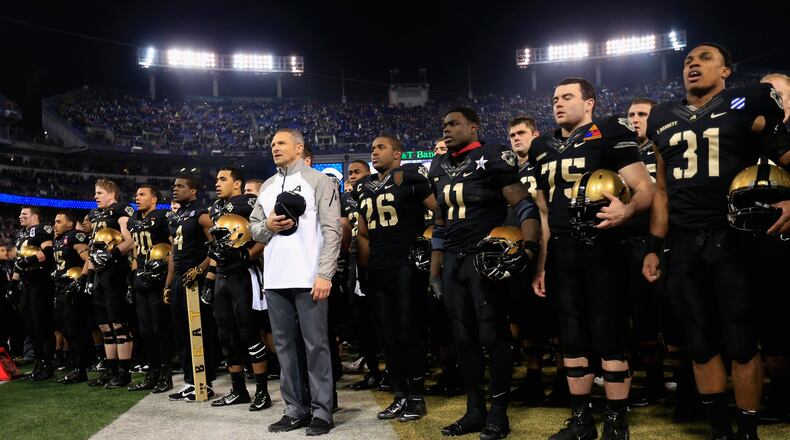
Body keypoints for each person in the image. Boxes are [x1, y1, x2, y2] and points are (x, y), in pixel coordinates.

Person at [643, 43, 790, 440]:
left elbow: (784, 154)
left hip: (734, 237)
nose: (693, 63)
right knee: (700, 341)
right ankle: (720, 430)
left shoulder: (747, 101)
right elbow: (660, 192)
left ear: (727, 71)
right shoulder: (660, 116)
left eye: (705, 58)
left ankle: (747, 430)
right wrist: (654, 248)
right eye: (688, 60)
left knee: (742, 340)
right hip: (683, 241)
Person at [531, 78, 654, 440]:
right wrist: (541, 262)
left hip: (603, 247)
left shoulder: (611, 129)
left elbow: (644, 187)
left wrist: (627, 209)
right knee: (570, 338)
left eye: (567, 96)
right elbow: (543, 213)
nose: (558, 103)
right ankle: (582, 421)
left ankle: (616, 421)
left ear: (589, 103)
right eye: (555, 98)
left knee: (608, 334)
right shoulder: (542, 145)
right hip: (562, 251)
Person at [429, 107, 540, 439]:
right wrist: (435, 271)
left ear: (473, 128)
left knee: (493, 335)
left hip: (484, 258)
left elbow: (524, 205)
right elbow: (440, 222)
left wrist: (530, 247)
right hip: (453, 259)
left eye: (453, 124)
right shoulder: (439, 166)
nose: (446, 129)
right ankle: (474, 410)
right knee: (464, 338)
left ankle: (499, 413)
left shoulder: (491, 156)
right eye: (444, 124)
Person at [250, 128, 341, 436]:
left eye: (281, 143)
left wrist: (325, 273)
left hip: (309, 277)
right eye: (272, 143)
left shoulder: (319, 181)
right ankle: (294, 409)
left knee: (316, 346)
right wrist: (268, 224)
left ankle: (322, 411)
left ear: (299, 147)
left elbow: (333, 231)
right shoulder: (268, 185)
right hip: (275, 279)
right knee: (285, 348)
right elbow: (253, 230)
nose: (274, 147)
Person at [355, 134, 439, 421]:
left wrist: (428, 246)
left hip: (406, 265)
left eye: (381, 147)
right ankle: (400, 395)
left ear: (398, 154)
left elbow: (439, 213)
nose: (374, 152)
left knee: (409, 331)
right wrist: (364, 271)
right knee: (387, 336)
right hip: (379, 268)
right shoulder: (364, 187)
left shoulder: (411, 176)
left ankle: (416, 398)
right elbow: (363, 234)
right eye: (372, 148)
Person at [204, 167, 271, 411]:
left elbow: (265, 236)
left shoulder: (249, 202)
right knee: (227, 337)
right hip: (222, 277)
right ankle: (239, 390)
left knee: (249, 333)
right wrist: (209, 279)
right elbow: (218, 249)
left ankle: (262, 392)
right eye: (216, 179)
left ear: (237, 184)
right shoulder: (216, 208)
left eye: (223, 179)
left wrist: (247, 257)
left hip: (244, 276)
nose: (217, 183)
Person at [164, 170, 218, 401]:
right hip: (178, 281)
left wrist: (200, 269)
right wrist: (167, 284)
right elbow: (173, 255)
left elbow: (218, 246)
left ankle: (205, 382)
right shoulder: (176, 217)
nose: (175, 189)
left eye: (180, 186)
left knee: (199, 332)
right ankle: (190, 382)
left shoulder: (202, 214)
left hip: (195, 280)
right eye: (174, 185)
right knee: (181, 333)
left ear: (193, 191)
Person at [85, 179, 136, 388]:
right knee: (105, 326)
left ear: (112, 194)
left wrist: (112, 255)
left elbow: (130, 240)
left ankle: (124, 372)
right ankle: (111, 369)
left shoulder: (120, 210)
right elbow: (92, 248)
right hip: (99, 274)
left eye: (99, 193)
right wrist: (89, 276)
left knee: (118, 323)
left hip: (116, 272)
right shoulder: (96, 216)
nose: (95, 196)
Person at [126, 184, 174, 393]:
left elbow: (174, 247)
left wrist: (168, 278)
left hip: (158, 277)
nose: (137, 197)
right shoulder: (134, 220)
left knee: (159, 328)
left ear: (154, 198)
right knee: (145, 330)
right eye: (136, 194)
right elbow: (136, 252)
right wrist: (132, 280)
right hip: (140, 277)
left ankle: (165, 373)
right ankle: (152, 372)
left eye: (142, 194)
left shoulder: (163, 216)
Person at [344, 159, 384, 390]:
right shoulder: (344, 199)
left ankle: (390, 371)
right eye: (350, 173)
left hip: (380, 261)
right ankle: (372, 371)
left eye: (358, 171)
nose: (353, 175)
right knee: (362, 323)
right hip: (355, 264)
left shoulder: (378, 192)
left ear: (368, 173)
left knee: (385, 322)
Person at [7, 206, 55, 380]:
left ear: (35, 216)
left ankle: (48, 365)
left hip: (40, 283)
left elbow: (48, 251)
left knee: (42, 325)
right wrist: (13, 283)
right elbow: (19, 263)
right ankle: (39, 362)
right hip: (26, 284)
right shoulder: (22, 236)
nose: (20, 216)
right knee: (30, 326)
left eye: (24, 214)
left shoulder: (41, 229)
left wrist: (30, 260)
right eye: (20, 213)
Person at [52, 211, 91, 384]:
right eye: (55, 221)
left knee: (76, 330)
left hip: (72, 288)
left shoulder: (75, 236)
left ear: (70, 224)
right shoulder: (58, 240)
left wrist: (81, 280)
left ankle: (81, 369)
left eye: (59, 221)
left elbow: (88, 258)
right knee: (66, 330)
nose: (55, 224)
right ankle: (73, 366)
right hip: (61, 288)